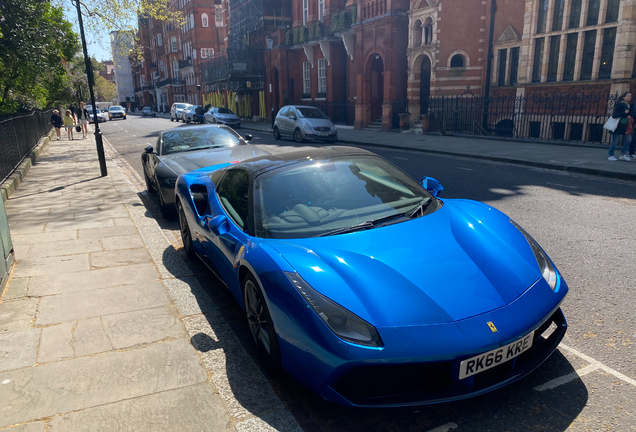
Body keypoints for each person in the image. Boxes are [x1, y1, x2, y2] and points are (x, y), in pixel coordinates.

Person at [608, 92, 632, 161]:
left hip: (625, 126)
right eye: (628, 96)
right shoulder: (619, 104)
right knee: (615, 141)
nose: (630, 97)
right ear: (624, 97)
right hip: (618, 126)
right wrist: (625, 113)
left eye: (630, 96)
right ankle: (611, 155)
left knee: (628, 140)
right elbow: (615, 115)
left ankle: (623, 154)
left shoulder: (629, 105)